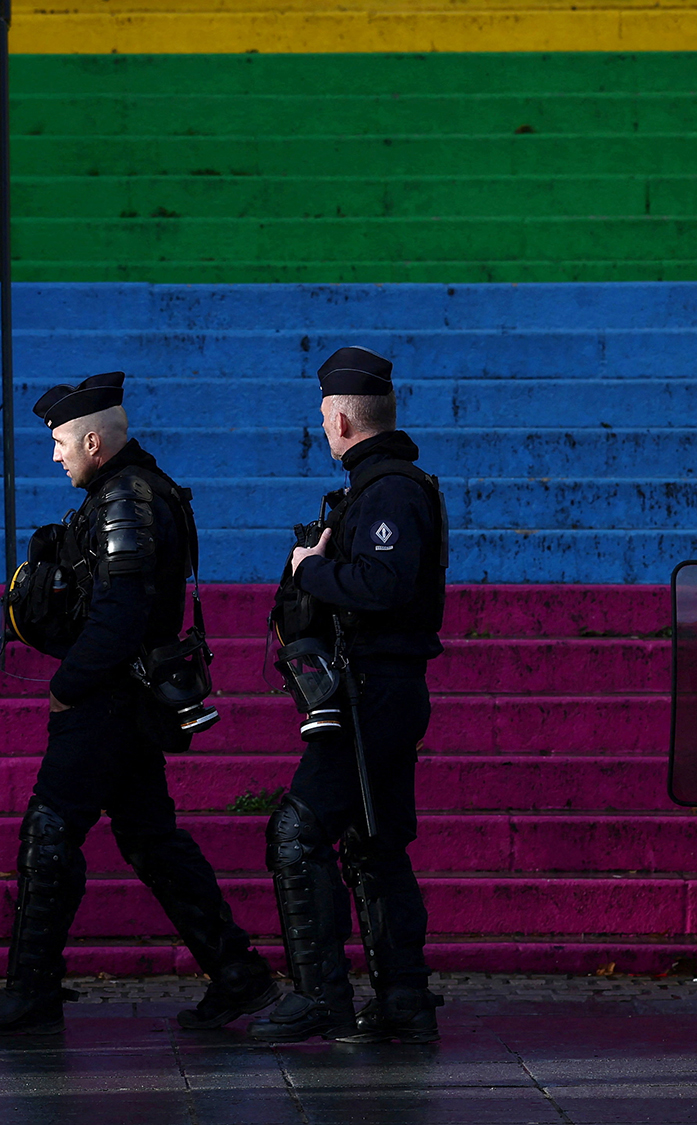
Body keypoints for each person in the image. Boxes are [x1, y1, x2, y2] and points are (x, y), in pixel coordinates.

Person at [0, 371, 276, 1037]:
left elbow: (121, 614)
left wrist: (66, 684)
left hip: (107, 697)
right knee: (152, 839)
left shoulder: (124, 500)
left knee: (50, 827)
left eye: (61, 442)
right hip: (128, 697)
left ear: (94, 440)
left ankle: (30, 990)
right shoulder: (127, 490)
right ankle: (239, 974)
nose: (55, 454)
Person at [252, 346, 445, 1044]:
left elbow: (384, 587)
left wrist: (312, 570)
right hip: (383, 690)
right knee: (374, 842)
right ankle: (403, 998)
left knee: (298, 832)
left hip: (374, 692)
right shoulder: (378, 486)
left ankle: (319, 995)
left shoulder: (390, 490)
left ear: (339, 421)